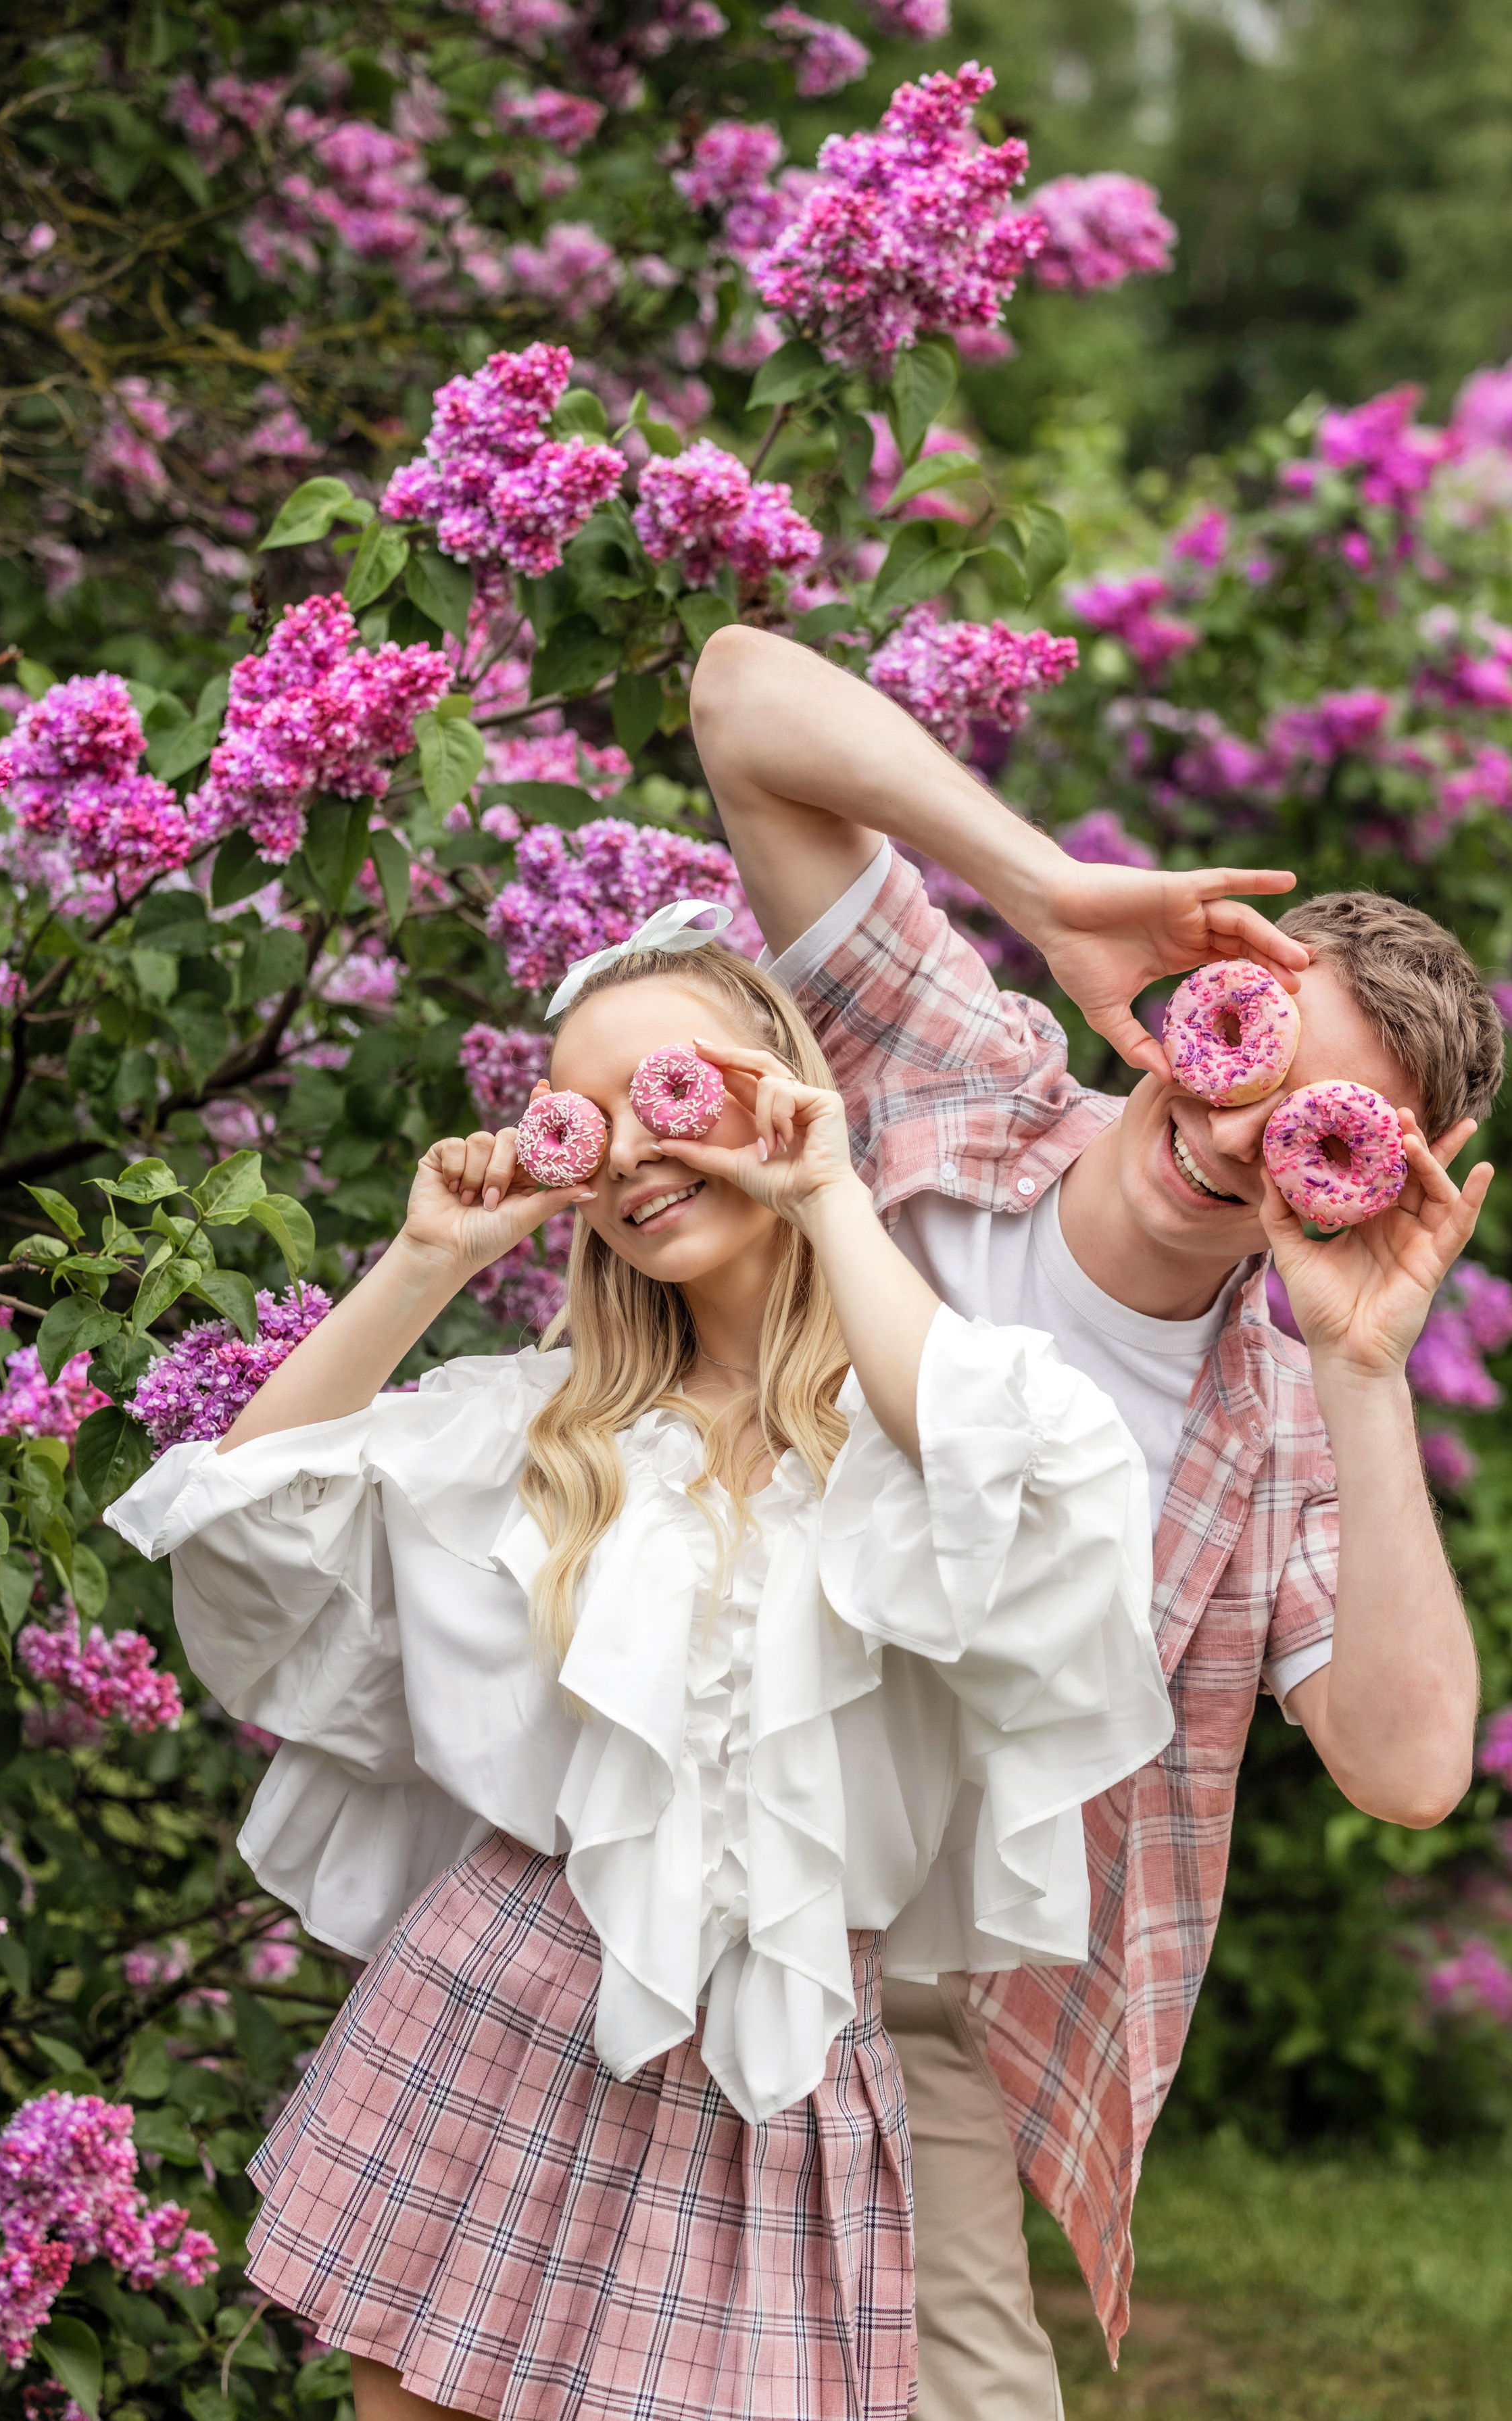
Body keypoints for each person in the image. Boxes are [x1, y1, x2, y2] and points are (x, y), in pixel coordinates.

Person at [107, 926, 1179, 2421]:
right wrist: (427, 1261)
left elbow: (1035, 1496)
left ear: (783, 1089)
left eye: (671, 1092)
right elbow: (246, 1526)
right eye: (584, 1117)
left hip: (787, 2064)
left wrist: (826, 1192)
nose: (624, 1152)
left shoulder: (947, 1419)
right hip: (506, 2003)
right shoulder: (547, 1428)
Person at [690, 624, 1498, 2418]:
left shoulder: (1273, 1432)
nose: (1235, 1127)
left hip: (905, 1992)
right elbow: (740, 694)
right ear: (1195, 1000)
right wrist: (1048, 891)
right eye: (1241, 1044)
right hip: (633, 1863)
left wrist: (1364, 1368)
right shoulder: (951, 1071)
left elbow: (1407, 1766)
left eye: (1318, 1133)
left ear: (1367, 1186)